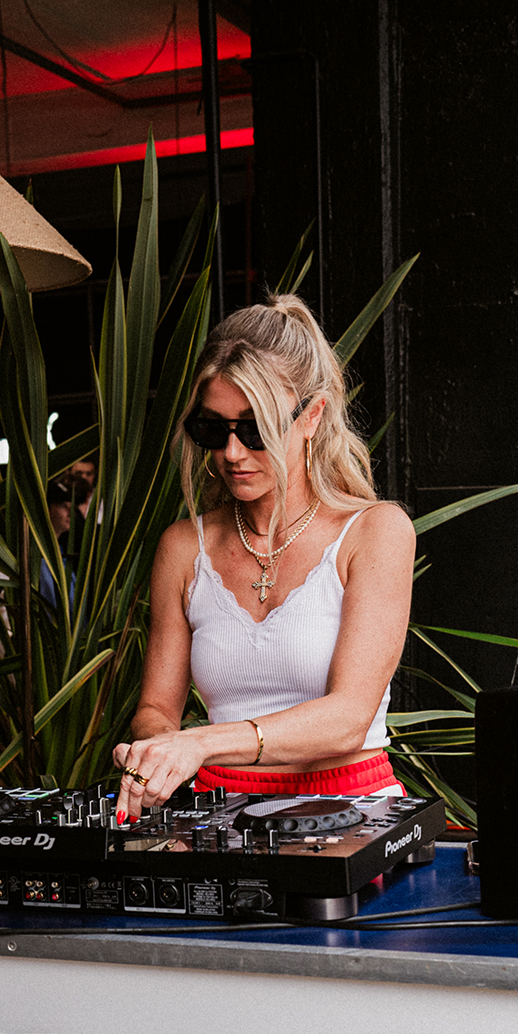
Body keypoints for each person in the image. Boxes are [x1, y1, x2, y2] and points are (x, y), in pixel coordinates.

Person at [113, 293, 415, 821]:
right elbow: (157, 707)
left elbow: (348, 719)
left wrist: (200, 743)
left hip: (350, 806)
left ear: (312, 416)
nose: (231, 453)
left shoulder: (374, 532)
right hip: (219, 810)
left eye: (255, 429)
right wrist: (157, 750)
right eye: (213, 429)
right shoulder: (183, 547)